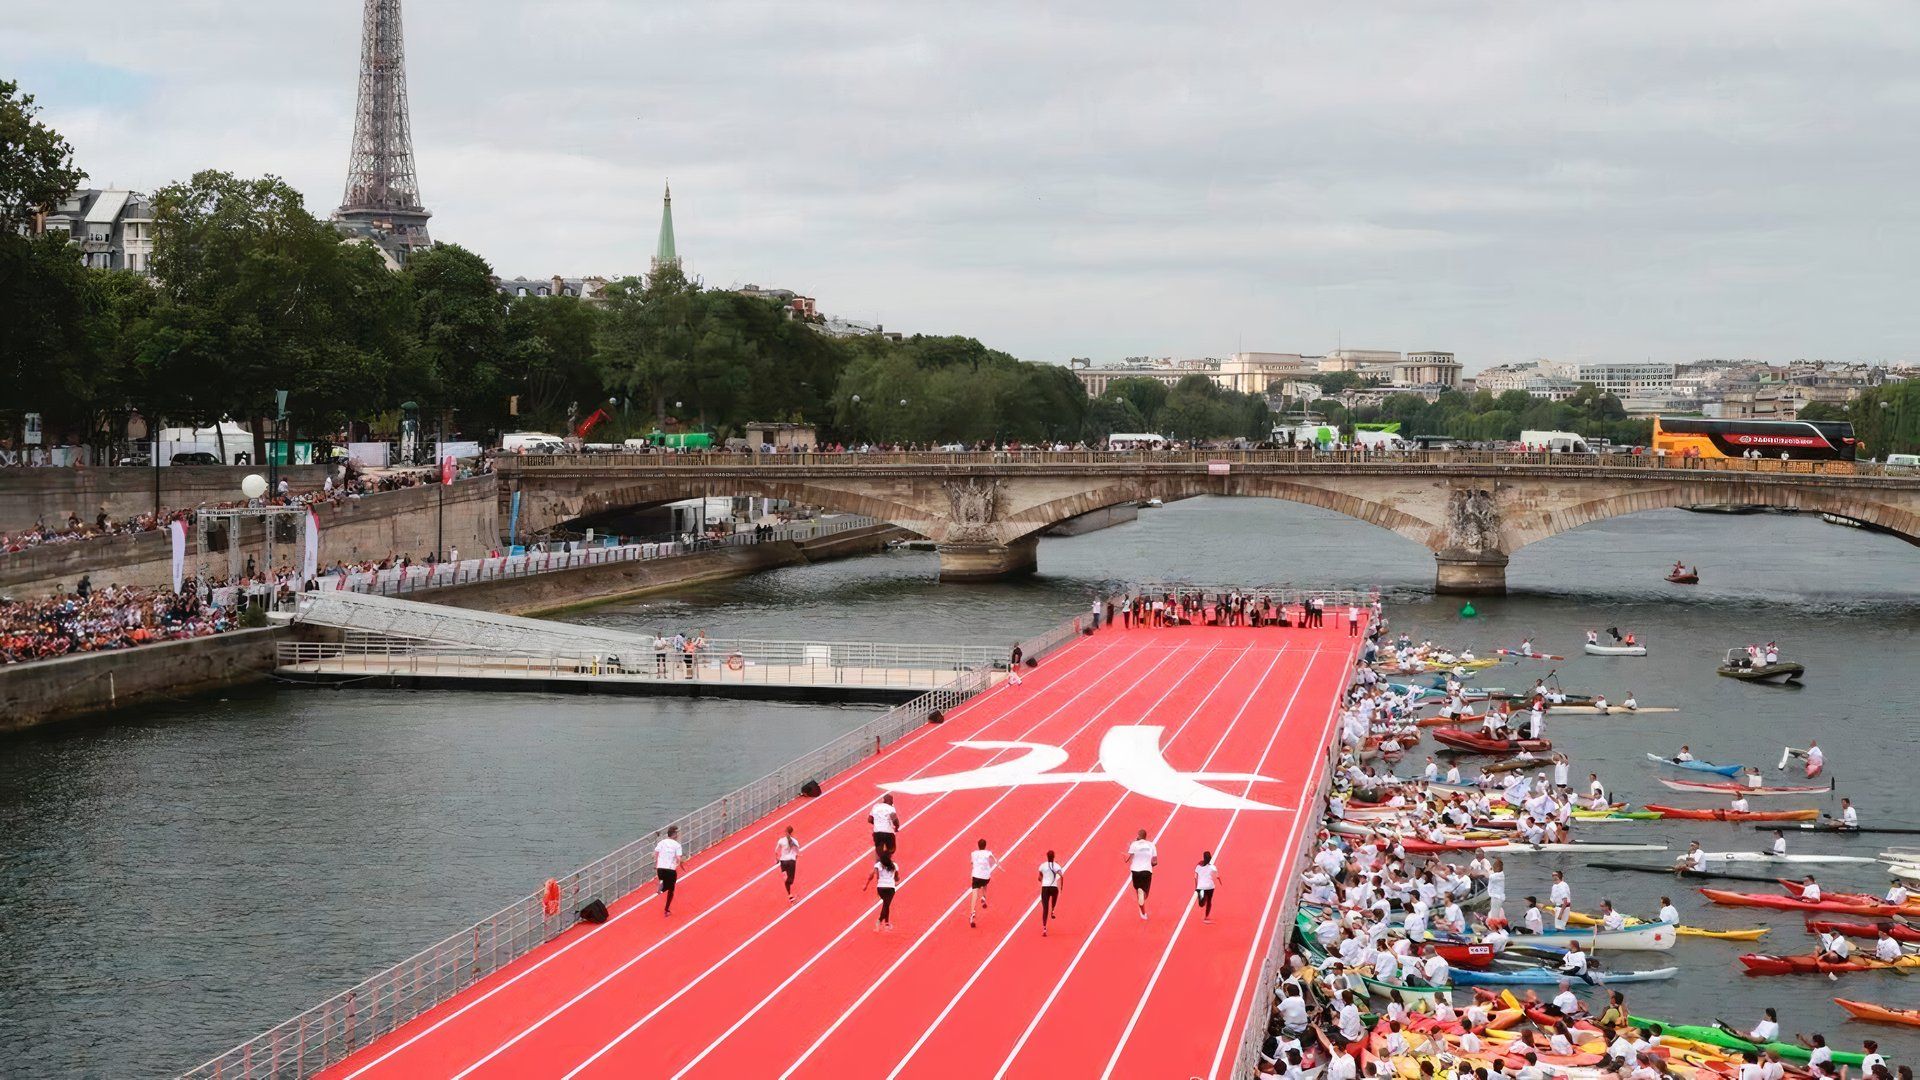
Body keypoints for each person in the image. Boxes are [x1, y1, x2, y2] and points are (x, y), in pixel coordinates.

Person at [863, 853, 901, 931]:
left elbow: (872, 875)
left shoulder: (878, 865)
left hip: (880, 888)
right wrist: (896, 879)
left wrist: (866, 885)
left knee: (886, 904)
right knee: (886, 905)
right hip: (890, 888)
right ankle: (879, 921)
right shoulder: (894, 865)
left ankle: (887, 923)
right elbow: (897, 878)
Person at [1126, 828, 1158, 919]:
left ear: (1138, 836)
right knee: (1145, 895)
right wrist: (1149, 863)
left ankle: (1143, 913)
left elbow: (1127, 858)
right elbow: (1155, 861)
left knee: (1138, 890)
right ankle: (1142, 895)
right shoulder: (1151, 845)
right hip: (1146, 871)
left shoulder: (1134, 844)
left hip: (1135, 871)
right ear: (1145, 836)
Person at [654, 824, 685, 916]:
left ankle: (661, 884)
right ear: (674, 834)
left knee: (665, 884)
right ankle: (666, 910)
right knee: (671, 890)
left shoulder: (661, 842)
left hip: (660, 869)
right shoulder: (677, 845)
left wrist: (656, 864)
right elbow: (679, 858)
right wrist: (682, 864)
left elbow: (656, 853)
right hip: (670, 870)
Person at [967, 838, 997, 927]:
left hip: (976, 876)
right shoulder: (988, 853)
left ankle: (972, 913)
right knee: (985, 883)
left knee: (974, 895)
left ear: (978, 845)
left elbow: (971, 863)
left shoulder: (973, 853)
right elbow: (993, 862)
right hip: (985, 876)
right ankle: (983, 897)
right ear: (985, 845)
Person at [1037, 850, 1065, 936]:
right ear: (1054, 857)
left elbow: (1039, 878)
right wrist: (1061, 886)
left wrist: (1042, 879)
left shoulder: (1042, 866)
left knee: (1045, 909)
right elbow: (1061, 875)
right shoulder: (1056, 866)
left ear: (1047, 856)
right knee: (1054, 899)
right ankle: (1052, 910)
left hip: (1045, 888)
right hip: (1053, 887)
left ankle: (1044, 929)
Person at [870, 793, 902, 858]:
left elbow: (870, 819)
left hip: (877, 832)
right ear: (890, 801)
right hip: (888, 832)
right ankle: (887, 860)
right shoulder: (891, 808)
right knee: (892, 849)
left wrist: (877, 823)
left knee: (879, 849)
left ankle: (880, 861)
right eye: (892, 801)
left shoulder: (875, 806)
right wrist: (897, 826)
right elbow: (894, 819)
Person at [774, 825, 800, 901]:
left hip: (783, 862)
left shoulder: (781, 840)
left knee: (786, 878)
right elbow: (797, 852)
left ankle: (789, 894)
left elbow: (776, 851)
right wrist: (796, 858)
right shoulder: (795, 841)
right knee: (790, 880)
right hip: (791, 862)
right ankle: (790, 895)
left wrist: (777, 859)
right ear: (792, 833)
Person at [1193, 851, 1220, 924]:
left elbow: (1195, 877)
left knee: (1203, 903)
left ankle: (1206, 915)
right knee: (1208, 901)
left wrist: (1196, 887)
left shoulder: (1199, 866)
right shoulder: (1212, 867)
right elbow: (1217, 876)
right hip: (1208, 887)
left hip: (1202, 887)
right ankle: (1207, 916)